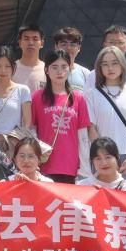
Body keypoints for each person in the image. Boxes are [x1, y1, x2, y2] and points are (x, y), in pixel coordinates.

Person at [85, 46, 126, 183]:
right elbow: (91, 128)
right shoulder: (91, 94)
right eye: (105, 64)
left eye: (115, 63)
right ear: (99, 68)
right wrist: (104, 157)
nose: (110, 68)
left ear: (122, 65)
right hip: (102, 158)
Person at [30, 50, 90, 183]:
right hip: (44, 165)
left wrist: (85, 168)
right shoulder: (37, 97)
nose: (59, 72)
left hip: (70, 165)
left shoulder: (78, 98)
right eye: (54, 67)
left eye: (64, 67)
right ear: (46, 70)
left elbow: (83, 136)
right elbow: (31, 129)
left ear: (69, 69)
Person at [0, 47, 32, 166]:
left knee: (14, 176)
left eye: (7, 66)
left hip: (15, 144)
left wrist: (13, 146)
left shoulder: (22, 90)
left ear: (14, 67)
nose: (3, 70)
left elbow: (27, 123)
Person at [53, 26, 92, 92]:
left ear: (79, 48)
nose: (68, 48)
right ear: (56, 46)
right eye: (64, 44)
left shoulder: (86, 74)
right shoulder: (47, 72)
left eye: (72, 44)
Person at [11, 24, 46, 90]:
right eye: (26, 39)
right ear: (20, 43)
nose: (30, 43)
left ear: (42, 43)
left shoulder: (48, 70)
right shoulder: (11, 69)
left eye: (35, 39)